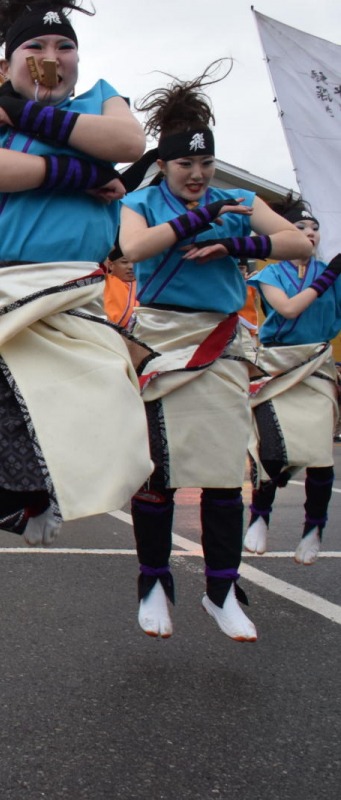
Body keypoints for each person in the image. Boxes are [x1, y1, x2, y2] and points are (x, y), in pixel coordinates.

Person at [0, 0, 151, 549]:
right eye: (35, 47)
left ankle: (46, 494)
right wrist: (80, 173)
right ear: (7, 64)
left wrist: (31, 119)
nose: (51, 57)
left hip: (75, 287)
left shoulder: (101, 98)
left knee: (94, 401)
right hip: (1, 281)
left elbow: (128, 144)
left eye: (64, 47)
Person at [119, 63, 312, 640]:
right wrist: (200, 220)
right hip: (159, 341)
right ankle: (154, 583)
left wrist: (238, 241)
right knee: (159, 473)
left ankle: (222, 589)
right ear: (163, 163)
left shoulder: (237, 198)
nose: (199, 174)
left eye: (205, 163)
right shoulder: (146, 201)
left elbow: (298, 240)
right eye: (186, 164)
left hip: (221, 342)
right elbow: (134, 246)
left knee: (227, 474)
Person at [244, 196, 341, 565]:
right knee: (269, 449)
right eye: (301, 228)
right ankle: (259, 517)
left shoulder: (333, 272)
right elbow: (287, 308)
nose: (310, 234)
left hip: (316, 363)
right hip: (278, 364)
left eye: (315, 229)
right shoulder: (270, 274)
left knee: (319, 455)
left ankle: (314, 527)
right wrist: (331, 275)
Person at [102, 246, 137, 328]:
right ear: (110, 265)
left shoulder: (145, 284)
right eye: (124, 262)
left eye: (135, 263)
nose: (131, 267)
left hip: (139, 335)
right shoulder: (105, 280)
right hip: (109, 332)